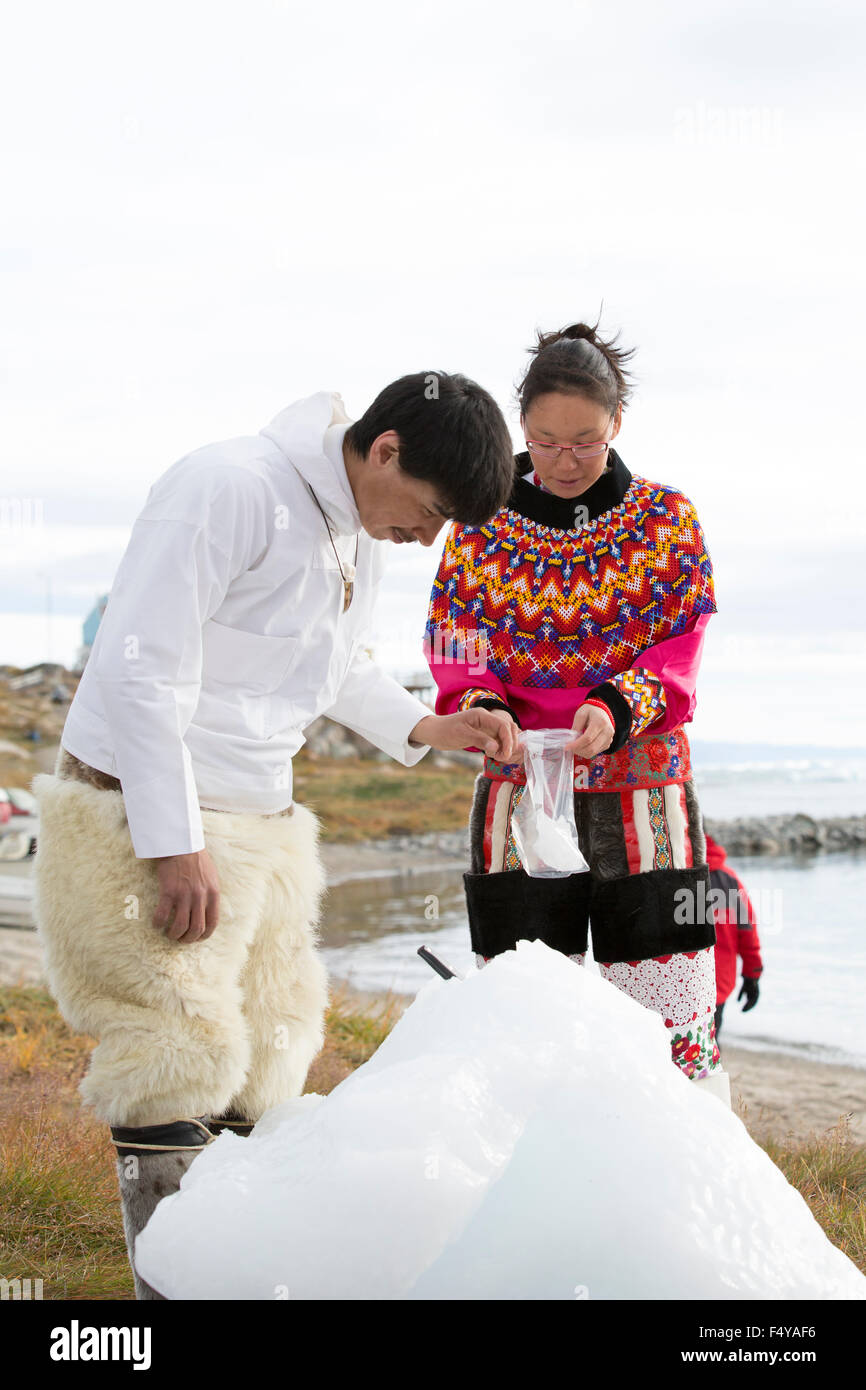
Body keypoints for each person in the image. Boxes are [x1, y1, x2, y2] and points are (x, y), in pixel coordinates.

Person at [31, 373, 522, 1299]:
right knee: (169, 1062)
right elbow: (142, 668)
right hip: (140, 813)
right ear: (385, 451)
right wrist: (172, 844)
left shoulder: (355, 529)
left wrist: (428, 726)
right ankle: (165, 1295)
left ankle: (240, 1284)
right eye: (429, 511)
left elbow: (332, 667)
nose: (430, 538)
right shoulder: (227, 487)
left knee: (265, 1067)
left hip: (260, 823)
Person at [425, 322, 731, 1104]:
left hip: (646, 794)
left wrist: (618, 705)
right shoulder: (479, 527)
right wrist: (483, 705)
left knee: (669, 1022)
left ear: (617, 424)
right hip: (517, 793)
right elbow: (457, 648)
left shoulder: (667, 523)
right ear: (520, 426)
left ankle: (677, 1195)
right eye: (545, 440)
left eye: (586, 443)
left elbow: (682, 648)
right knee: (523, 1015)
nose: (564, 462)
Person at [705, 830, 763, 1041]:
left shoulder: (669, 873)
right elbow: (747, 932)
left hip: (674, 982)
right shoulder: (727, 880)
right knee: (709, 1049)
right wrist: (752, 975)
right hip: (718, 982)